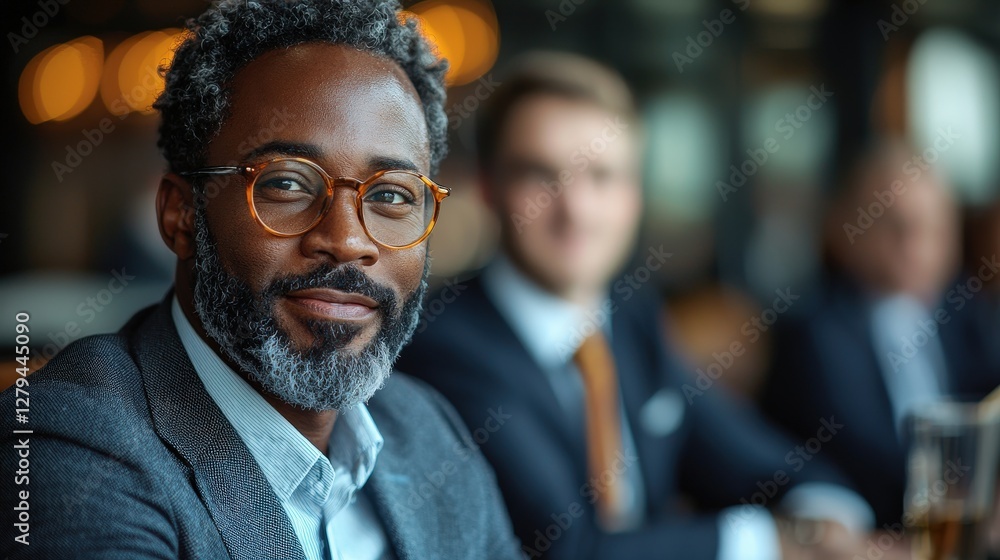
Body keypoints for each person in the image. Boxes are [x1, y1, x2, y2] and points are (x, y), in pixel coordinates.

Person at [0, 1, 521, 558]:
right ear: (182, 216)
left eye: (392, 194)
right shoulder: (69, 447)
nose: (347, 240)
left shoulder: (427, 430)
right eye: (288, 185)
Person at [396, 51, 874, 560]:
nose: (575, 210)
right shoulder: (447, 347)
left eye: (601, 176)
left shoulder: (630, 317)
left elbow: (763, 462)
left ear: (633, 195)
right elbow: (568, 549)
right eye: (540, 174)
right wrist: (775, 542)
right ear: (490, 189)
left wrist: (827, 512)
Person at [760, 142, 1000, 530]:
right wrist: (970, 497)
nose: (915, 246)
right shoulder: (815, 331)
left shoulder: (968, 316)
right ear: (843, 227)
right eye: (894, 225)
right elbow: (860, 452)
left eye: (932, 227)